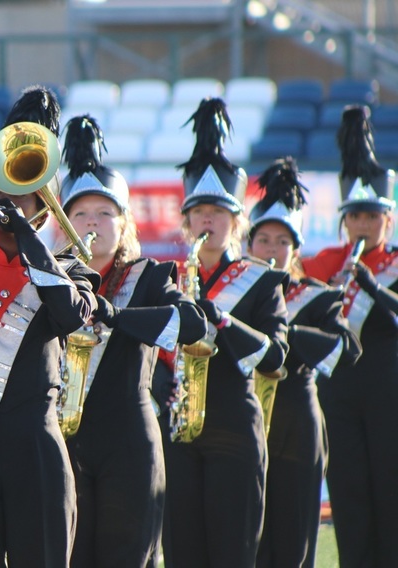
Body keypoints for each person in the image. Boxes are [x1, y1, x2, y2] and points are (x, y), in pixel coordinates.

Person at [0, 86, 99, 567]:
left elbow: (69, 314)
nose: (4, 206)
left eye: (21, 200)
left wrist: (26, 234)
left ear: (44, 209)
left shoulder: (72, 269)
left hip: (37, 445)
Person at [55, 115, 207, 568]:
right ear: (64, 224)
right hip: (63, 442)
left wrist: (114, 314)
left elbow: (192, 325)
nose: (93, 222)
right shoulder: (48, 279)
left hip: (130, 441)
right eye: (80, 212)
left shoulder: (150, 275)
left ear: (124, 225)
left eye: (105, 212)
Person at [153, 97, 289, 568]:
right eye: (199, 211)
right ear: (185, 220)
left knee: (233, 555)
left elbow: (276, 358)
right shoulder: (164, 280)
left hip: (235, 427)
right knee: (183, 554)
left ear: (236, 221)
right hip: (177, 433)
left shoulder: (262, 279)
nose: (207, 219)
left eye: (218, 211)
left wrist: (223, 319)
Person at [248, 157, 361, 568]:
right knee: (247, 540)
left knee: (294, 544)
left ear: (296, 250)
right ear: (249, 245)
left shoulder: (319, 295)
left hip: (297, 426)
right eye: (264, 240)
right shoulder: (235, 294)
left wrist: (282, 336)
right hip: (245, 426)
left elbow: (345, 348)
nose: (272, 250)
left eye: (282, 242)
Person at [301, 105, 398, 568]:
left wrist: (373, 286)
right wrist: (337, 285)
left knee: (390, 486)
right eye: (355, 215)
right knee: (350, 490)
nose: (363, 224)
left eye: (372, 215)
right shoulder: (323, 262)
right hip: (338, 390)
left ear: (389, 220)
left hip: (388, 389)